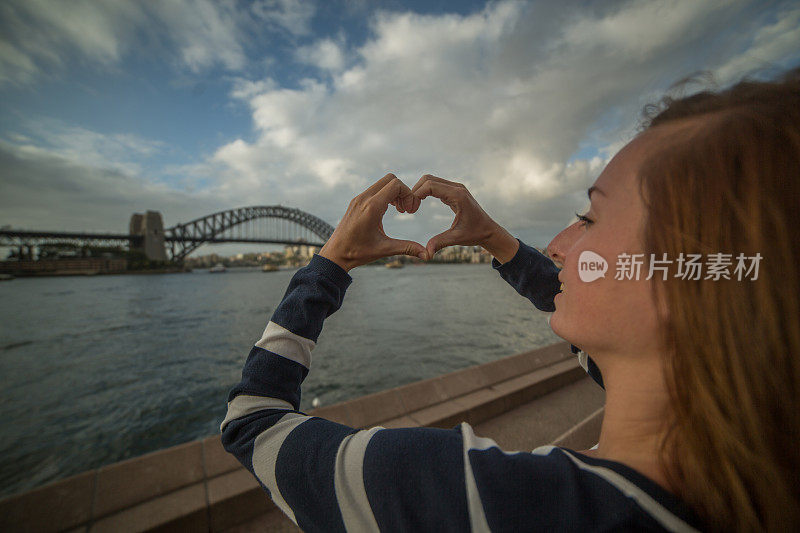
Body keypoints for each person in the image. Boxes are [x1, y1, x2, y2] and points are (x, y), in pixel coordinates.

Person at [221, 68, 799, 532]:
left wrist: (331, 264)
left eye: (589, 217)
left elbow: (252, 421)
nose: (560, 244)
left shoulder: (470, 500)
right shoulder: (754, 464)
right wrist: (494, 240)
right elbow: (569, 305)